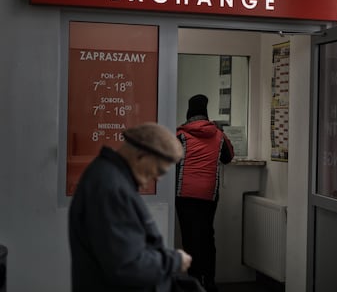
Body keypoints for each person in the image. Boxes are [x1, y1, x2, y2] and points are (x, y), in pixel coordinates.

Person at [69, 122, 193, 292]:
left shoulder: (110, 178)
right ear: (141, 156)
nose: (158, 178)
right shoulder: (111, 188)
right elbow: (128, 266)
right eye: (159, 170)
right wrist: (175, 260)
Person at [175, 94, 235, 292]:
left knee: (190, 237)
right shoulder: (218, 134)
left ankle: (194, 280)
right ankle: (209, 280)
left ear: (189, 111)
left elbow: (170, 159)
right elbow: (228, 157)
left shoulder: (181, 134)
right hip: (209, 194)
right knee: (207, 235)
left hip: (184, 192)